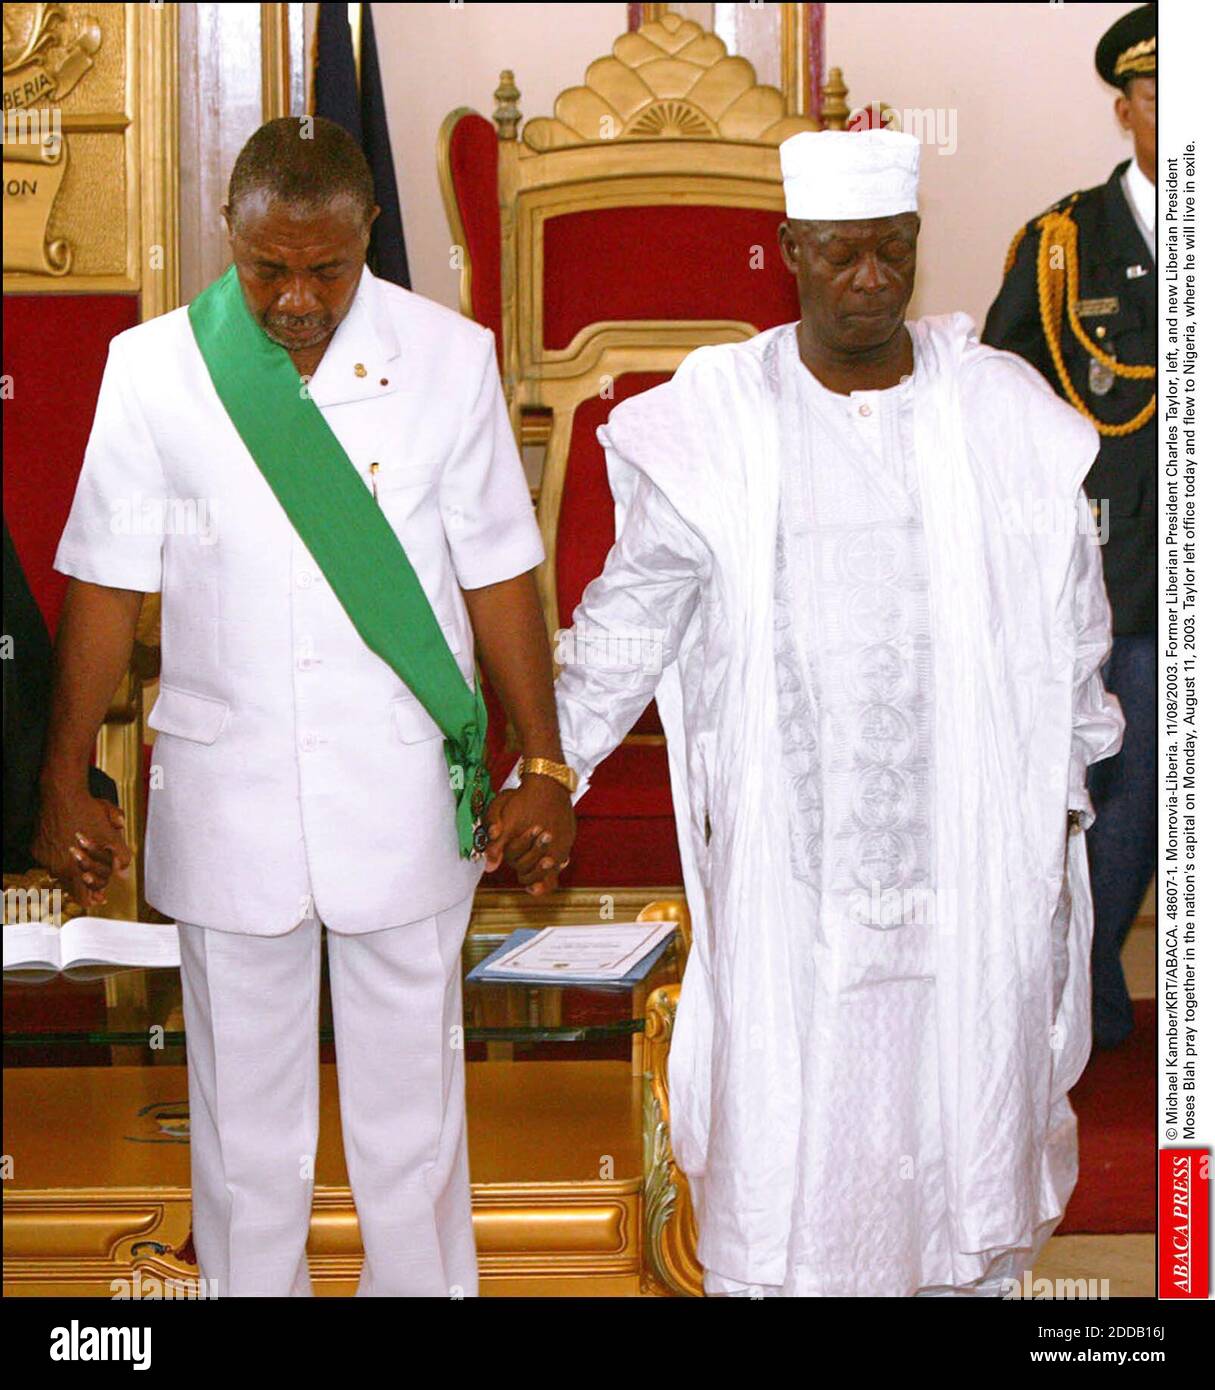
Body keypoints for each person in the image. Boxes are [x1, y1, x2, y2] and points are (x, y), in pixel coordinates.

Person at [498, 128, 1125, 1296]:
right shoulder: (722, 421)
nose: (871, 280)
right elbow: (632, 619)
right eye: (842, 255)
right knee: (800, 1119)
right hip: (796, 865)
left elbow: (1071, 623)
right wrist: (550, 764)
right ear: (790, 250)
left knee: (966, 1114)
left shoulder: (1001, 415)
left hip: (974, 853)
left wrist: (1063, 790)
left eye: (893, 251)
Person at [35, 116, 575, 1296]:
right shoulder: (156, 368)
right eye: (265, 267)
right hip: (225, 794)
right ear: (227, 234)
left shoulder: (450, 359)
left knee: (413, 1139)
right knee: (244, 1147)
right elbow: (106, 582)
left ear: (367, 233)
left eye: (325, 269)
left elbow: (498, 572)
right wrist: (63, 773)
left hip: (403, 789)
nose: (294, 298)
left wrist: (544, 762)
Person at [982, 3, 1156, 1050]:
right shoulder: (1063, 245)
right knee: (1122, 786)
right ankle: (1087, 991)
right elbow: (1005, 404)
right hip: (1125, 569)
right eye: (1160, 95)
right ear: (1125, 107)